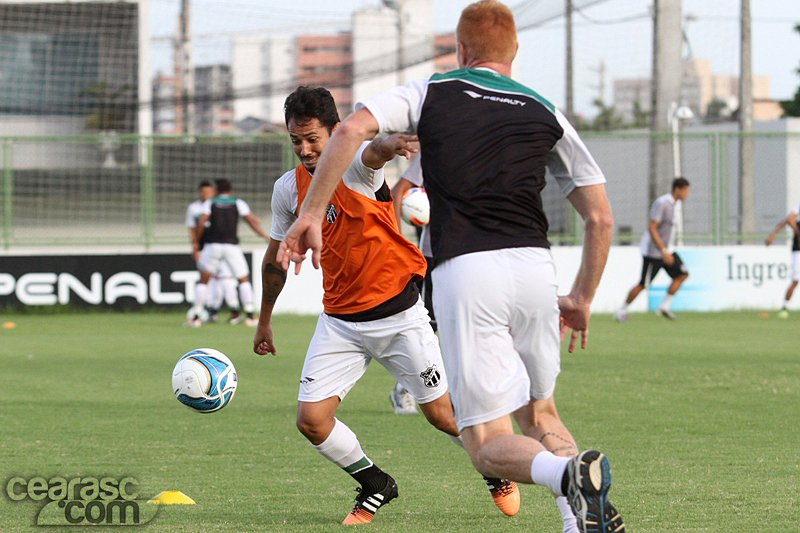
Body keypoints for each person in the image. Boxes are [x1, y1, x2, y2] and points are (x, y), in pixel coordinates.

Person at [274, 3, 623, 533]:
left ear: (460, 50)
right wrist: (581, 298)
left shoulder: (432, 91)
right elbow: (600, 218)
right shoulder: (545, 109)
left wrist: (309, 214)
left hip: (469, 272)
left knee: (483, 443)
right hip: (535, 269)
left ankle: (567, 476)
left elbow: (351, 135)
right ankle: (578, 518)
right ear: (515, 53)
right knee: (542, 412)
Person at [253, 86, 520, 525]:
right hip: (340, 322)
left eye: (313, 139)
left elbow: (372, 153)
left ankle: (492, 469)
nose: (304, 149)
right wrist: (264, 321)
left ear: (336, 133)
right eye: (295, 141)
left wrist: (389, 144)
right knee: (312, 421)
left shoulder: (355, 166)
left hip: (399, 317)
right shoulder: (287, 190)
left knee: (442, 416)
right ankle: (375, 482)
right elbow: (275, 259)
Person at [189, 178, 268, 328]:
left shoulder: (210, 203)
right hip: (232, 246)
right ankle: (250, 316)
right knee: (243, 279)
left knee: (203, 281)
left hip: (212, 246)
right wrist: (263, 235)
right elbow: (250, 220)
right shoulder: (238, 202)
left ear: (216, 191)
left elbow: (201, 221)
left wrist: (197, 243)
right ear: (230, 191)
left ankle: (196, 317)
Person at [388, 155, 430, 416]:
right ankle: (404, 388)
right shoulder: (437, 152)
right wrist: (397, 241)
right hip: (438, 253)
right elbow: (398, 191)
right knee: (431, 326)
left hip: (477, 255)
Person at [614, 177, 690, 322]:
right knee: (643, 284)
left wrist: (667, 250)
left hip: (667, 250)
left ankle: (664, 307)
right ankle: (620, 310)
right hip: (654, 252)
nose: (687, 194)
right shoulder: (663, 203)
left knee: (682, 274)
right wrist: (662, 251)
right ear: (677, 189)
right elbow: (652, 227)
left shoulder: (675, 205)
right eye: (686, 191)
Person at [765, 199, 800, 318]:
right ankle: (784, 307)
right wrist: (773, 235)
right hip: (798, 250)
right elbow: (789, 219)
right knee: (795, 280)